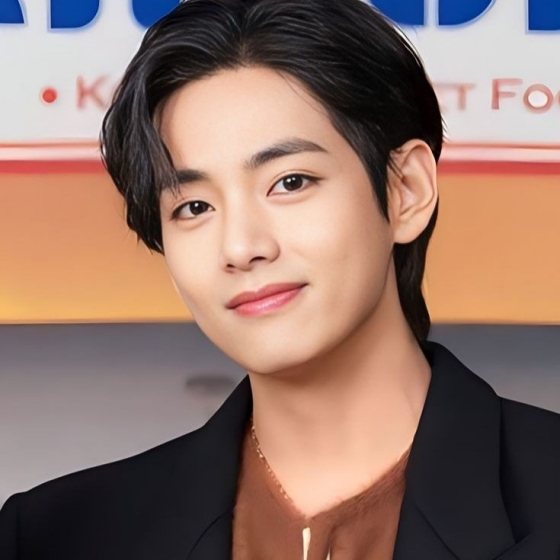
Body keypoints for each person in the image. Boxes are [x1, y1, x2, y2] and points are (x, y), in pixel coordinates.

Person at [1, 0, 560, 558]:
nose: (241, 247)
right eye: (194, 207)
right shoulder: (53, 536)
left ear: (405, 191)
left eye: (290, 182)